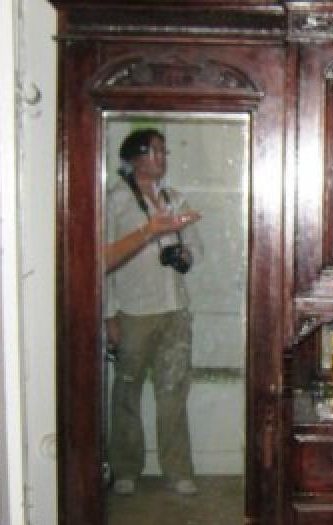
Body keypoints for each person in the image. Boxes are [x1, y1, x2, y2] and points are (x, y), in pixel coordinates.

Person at [104, 128, 202, 496]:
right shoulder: (115, 200)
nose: (161, 158)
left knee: (174, 391)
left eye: (164, 151)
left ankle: (178, 471)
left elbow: (196, 250)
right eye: (154, 151)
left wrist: (185, 253)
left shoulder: (173, 198)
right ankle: (125, 468)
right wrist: (109, 315)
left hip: (175, 308)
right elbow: (100, 262)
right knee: (126, 391)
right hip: (133, 310)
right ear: (133, 158)